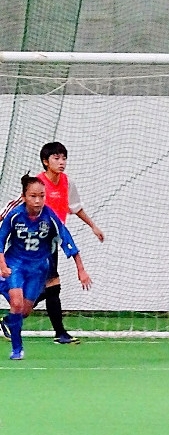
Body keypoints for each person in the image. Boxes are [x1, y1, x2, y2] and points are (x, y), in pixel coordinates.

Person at [0, 142, 104, 344]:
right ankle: (57, 332)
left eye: (64, 158)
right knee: (52, 285)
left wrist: (93, 226)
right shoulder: (37, 184)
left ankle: (17, 320)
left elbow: (75, 207)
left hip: (51, 243)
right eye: (56, 158)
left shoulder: (67, 183)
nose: (61, 162)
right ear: (46, 162)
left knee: (50, 287)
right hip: (32, 243)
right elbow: (14, 205)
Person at [0, 174, 92, 359]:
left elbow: (67, 241)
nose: (38, 200)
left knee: (24, 311)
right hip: (15, 263)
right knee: (16, 303)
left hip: (39, 268)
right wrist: (2, 264)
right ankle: (17, 349)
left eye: (42, 196)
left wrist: (81, 269)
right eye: (33, 196)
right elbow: (1, 240)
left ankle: (8, 313)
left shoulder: (50, 217)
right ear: (24, 196)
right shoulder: (15, 215)